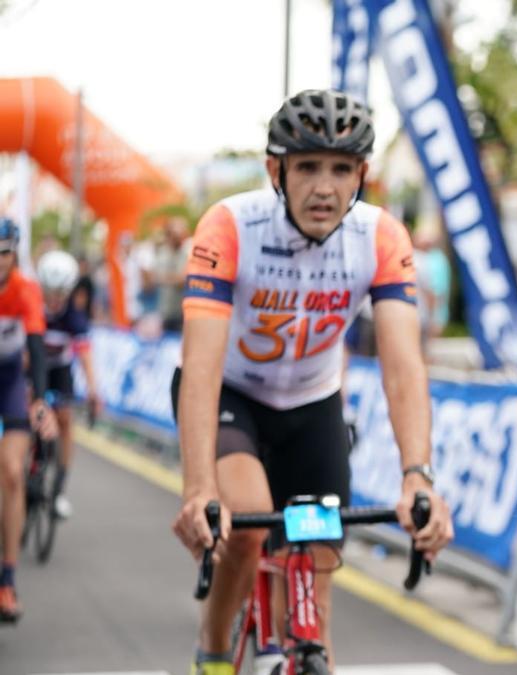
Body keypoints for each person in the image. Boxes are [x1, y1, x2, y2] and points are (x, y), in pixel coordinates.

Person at [169, 89, 454, 674]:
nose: (324, 187)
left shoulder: (380, 237)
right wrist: (200, 489)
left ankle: (302, 651)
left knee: (316, 571)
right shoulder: (229, 226)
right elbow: (199, 370)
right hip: (233, 399)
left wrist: (418, 476)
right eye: (307, 168)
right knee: (245, 523)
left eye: (341, 169)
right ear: (276, 170)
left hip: (312, 407)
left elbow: (403, 367)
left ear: (362, 175)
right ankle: (215, 647)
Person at [0, 217, 58, 623]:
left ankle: (7, 580)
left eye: (3, 253)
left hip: (9, 384)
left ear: (14, 253)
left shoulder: (26, 290)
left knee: (12, 473)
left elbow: (36, 349)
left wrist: (39, 400)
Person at [37, 250, 102, 520]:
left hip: (60, 370)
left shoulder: (74, 315)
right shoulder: (31, 306)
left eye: (60, 293)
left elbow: (85, 355)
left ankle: (59, 490)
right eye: (49, 292)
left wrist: (93, 390)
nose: (54, 300)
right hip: (33, 366)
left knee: (65, 419)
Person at [155, 216, 193, 333]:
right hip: (167, 311)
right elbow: (155, 277)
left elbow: (183, 280)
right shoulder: (163, 252)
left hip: (185, 313)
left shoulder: (190, 250)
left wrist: (167, 278)